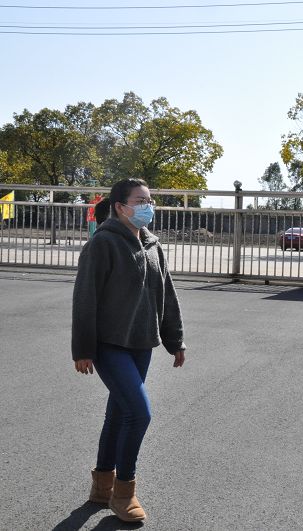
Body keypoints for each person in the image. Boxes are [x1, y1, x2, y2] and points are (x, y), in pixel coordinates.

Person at [72, 178, 186, 523]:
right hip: (108, 345)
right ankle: (124, 493)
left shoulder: (152, 244)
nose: (148, 206)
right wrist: (82, 349)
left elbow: (166, 294)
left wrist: (175, 341)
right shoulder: (102, 243)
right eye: (140, 201)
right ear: (120, 207)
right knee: (139, 413)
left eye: (149, 200)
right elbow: (85, 298)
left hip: (141, 343)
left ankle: (101, 487)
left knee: (119, 414)